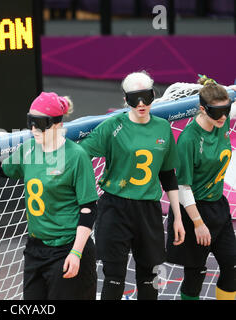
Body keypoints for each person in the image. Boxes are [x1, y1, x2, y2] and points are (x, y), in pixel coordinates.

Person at [0, 92, 99, 300]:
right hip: (36, 250)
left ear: (56, 124)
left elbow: (89, 208)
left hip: (66, 249)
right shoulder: (29, 149)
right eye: (30, 121)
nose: (33, 129)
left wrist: (76, 253)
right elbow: (0, 167)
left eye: (40, 123)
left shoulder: (76, 156)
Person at [79, 71, 186, 300]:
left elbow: (168, 175)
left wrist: (177, 216)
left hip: (148, 209)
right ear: (125, 99)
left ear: (153, 95)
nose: (141, 104)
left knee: (149, 280)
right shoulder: (112, 126)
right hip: (115, 208)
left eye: (146, 97)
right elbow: (80, 155)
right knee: (114, 278)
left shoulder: (163, 128)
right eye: (134, 98)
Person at [166, 75, 236, 300]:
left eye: (226, 110)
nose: (223, 116)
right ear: (202, 109)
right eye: (217, 112)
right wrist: (198, 224)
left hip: (218, 206)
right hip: (194, 210)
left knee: (232, 265)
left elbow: (225, 112)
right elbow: (183, 187)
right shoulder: (189, 140)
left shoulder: (222, 120)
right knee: (196, 273)